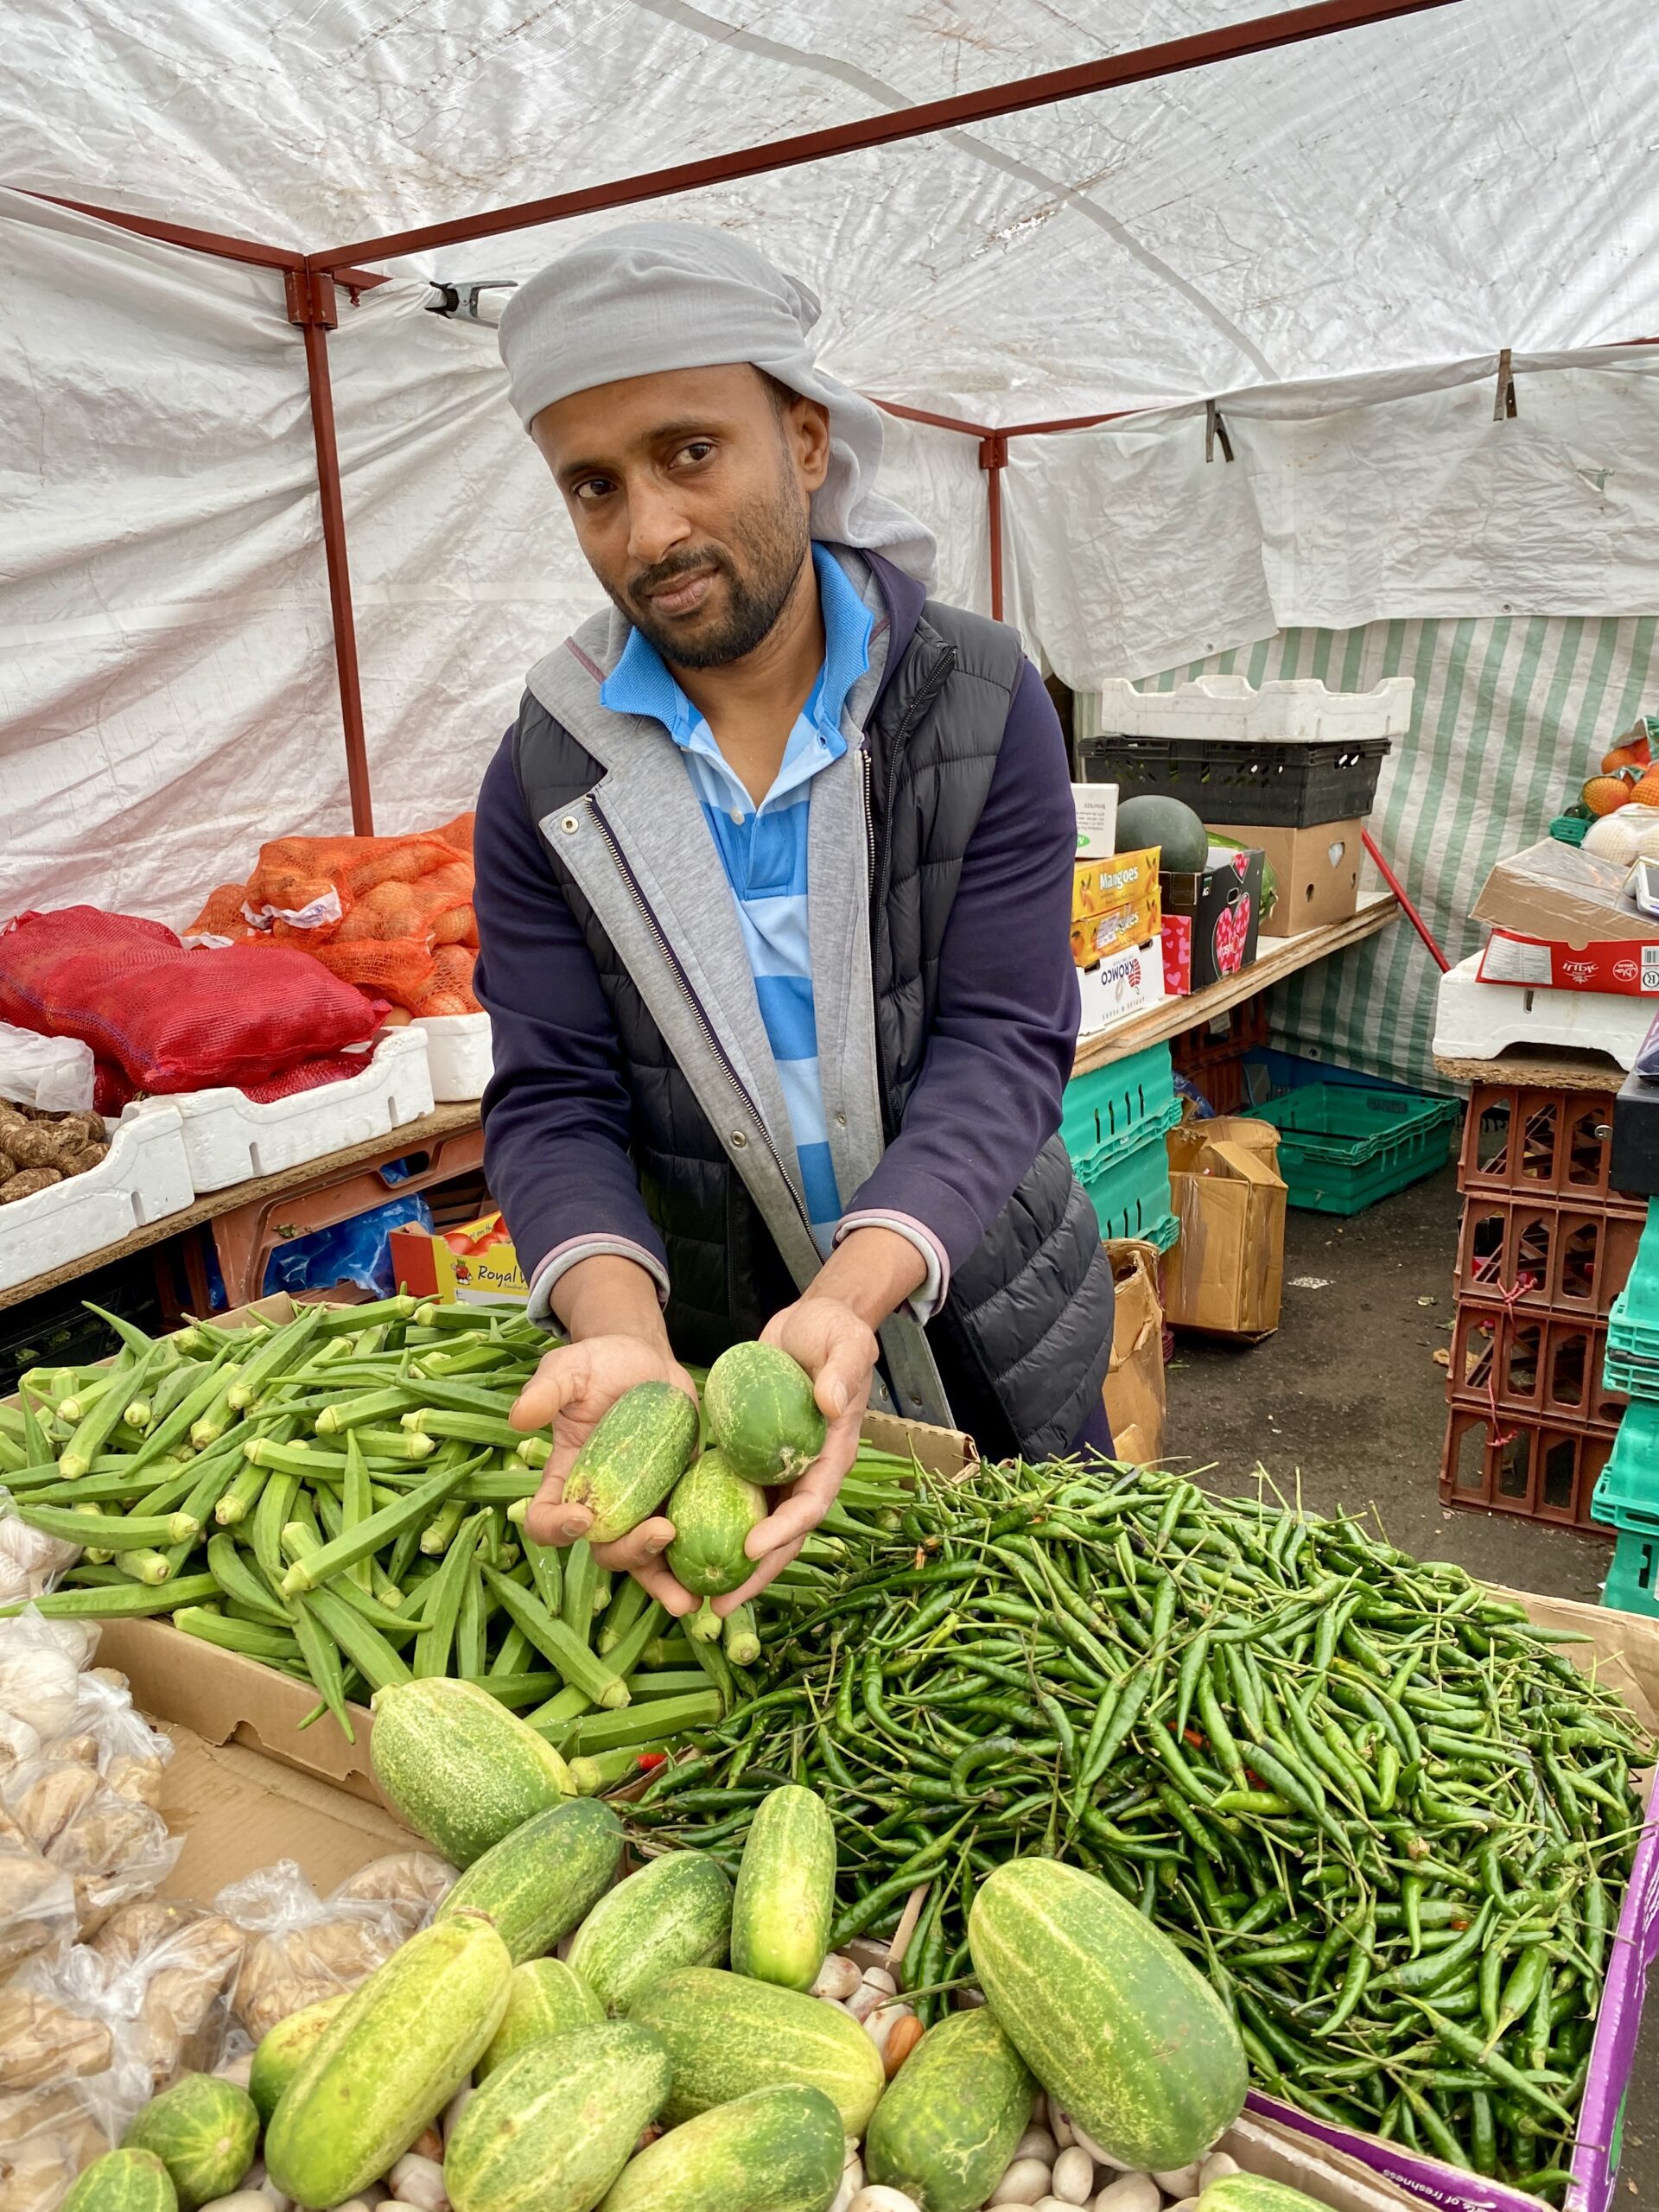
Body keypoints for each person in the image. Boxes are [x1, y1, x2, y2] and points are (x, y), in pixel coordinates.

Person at [474, 221, 1115, 1624]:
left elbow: (1004, 1041)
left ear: (809, 442)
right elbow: (554, 1097)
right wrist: (624, 1341)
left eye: (689, 451)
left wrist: (852, 1296)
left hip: (988, 1315)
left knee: (1048, 1675)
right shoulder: (547, 771)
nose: (649, 531)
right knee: (814, 1709)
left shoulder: (980, 698)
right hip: (721, 1380)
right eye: (594, 485)